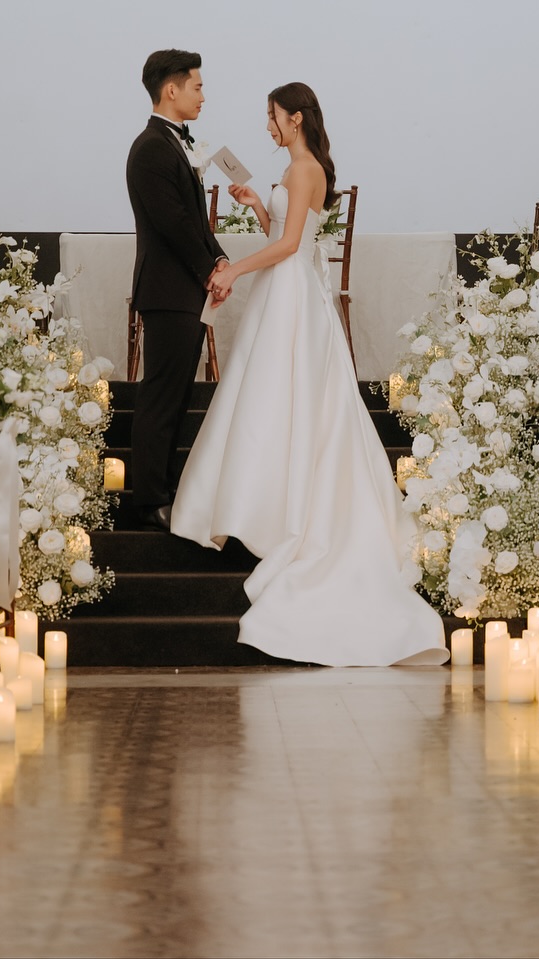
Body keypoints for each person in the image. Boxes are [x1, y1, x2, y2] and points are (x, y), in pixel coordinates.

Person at [171, 82, 447, 667]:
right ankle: (265, 504)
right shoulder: (305, 167)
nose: (267, 127)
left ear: (294, 119)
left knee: (275, 396)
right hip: (292, 293)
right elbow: (286, 231)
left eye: (272, 118)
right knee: (278, 397)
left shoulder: (302, 170)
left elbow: (291, 244)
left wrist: (236, 269)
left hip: (289, 294)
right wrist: (254, 205)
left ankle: (275, 513)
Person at [126, 49, 231, 532]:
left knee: (177, 395)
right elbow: (173, 222)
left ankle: (165, 490)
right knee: (161, 396)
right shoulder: (151, 147)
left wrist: (220, 259)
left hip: (183, 289)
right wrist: (210, 264)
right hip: (168, 290)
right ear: (172, 89)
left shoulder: (172, 144)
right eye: (198, 86)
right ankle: (147, 500)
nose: (203, 95)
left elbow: (195, 220)